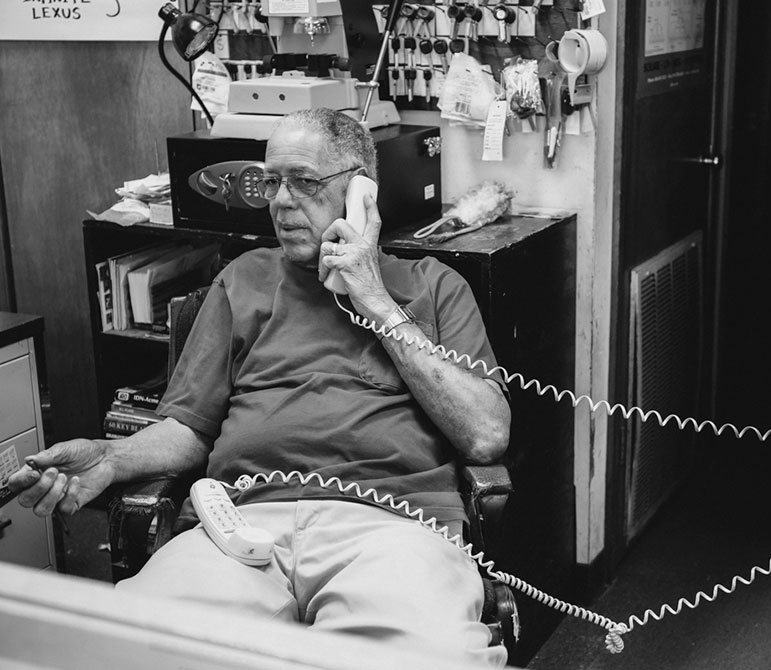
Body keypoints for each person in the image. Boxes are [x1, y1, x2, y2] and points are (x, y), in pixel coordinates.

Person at [9, 108, 511, 667]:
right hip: (241, 528)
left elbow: (486, 435)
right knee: (124, 650)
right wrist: (108, 458)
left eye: (304, 181)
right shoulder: (244, 278)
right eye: (272, 182)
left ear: (362, 190)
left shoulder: (435, 288)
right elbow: (188, 428)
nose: (280, 200)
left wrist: (374, 299)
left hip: (392, 528)